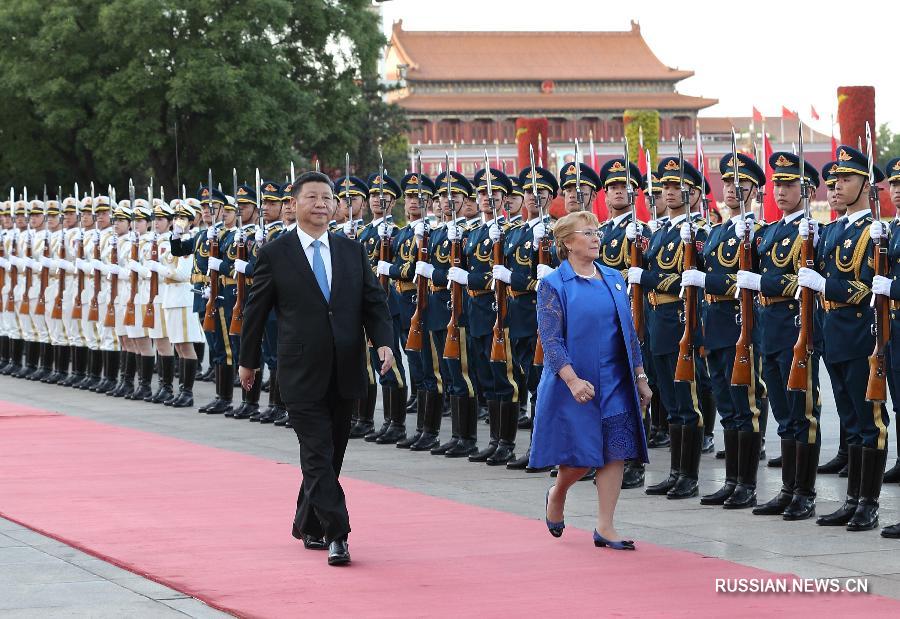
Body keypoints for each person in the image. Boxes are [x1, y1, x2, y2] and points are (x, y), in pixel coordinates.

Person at [238, 171, 394, 567]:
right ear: (295, 204)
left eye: (328, 197)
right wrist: (248, 360)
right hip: (299, 370)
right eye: (312, 197)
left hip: (345, 367)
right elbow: (255, 312)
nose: (322, 203)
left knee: (332, 453)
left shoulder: (350, 250)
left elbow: (372, 302)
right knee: (317, 452)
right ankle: (337, 532)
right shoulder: (276, 252)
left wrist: (384, 342)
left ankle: (308, 520)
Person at [532, 210, 650, 549]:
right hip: (577, 381)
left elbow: (628, 334)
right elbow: (551, 341)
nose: (596, 237)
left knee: (616, 449)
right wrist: (571, 381)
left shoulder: (613, 277)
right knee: (582, 455)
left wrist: (640, 377)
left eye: (597, 231)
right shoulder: (553, 284)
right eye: (587, 232)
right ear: (568, 243)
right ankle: (558, 493)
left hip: (615, 379)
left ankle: (605, 526)